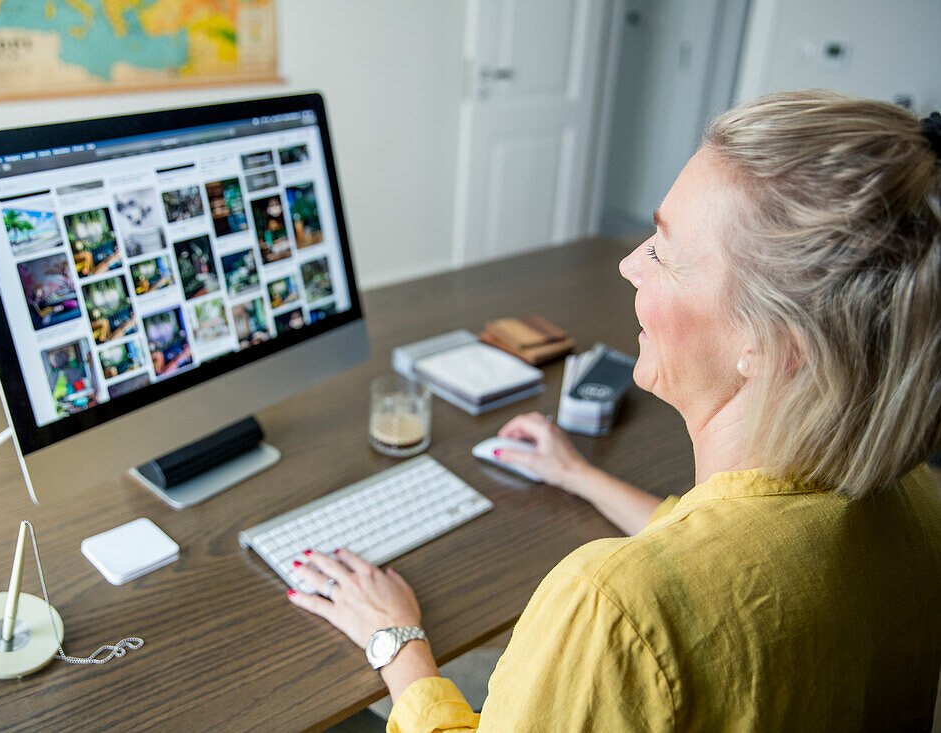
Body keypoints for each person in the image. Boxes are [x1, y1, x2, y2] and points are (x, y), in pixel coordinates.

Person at [287, 90, 941, 730]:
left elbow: (681, 584)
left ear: (766, 345)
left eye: (662, 249)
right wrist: (580, 475)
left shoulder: (611, 609)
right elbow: (734, 549)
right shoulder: (917, 498)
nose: (630, 264)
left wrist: (395, 640)